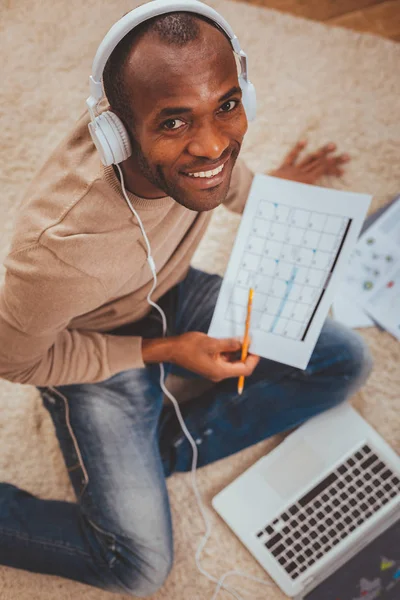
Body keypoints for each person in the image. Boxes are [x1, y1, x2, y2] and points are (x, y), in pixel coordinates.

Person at [0, 4, 373, 597]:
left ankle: (162, 445)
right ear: (116, 132)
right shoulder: (58, 251)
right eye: (174, 123)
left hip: (174, 289)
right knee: (138, 568)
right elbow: (15, 360)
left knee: (345, 361)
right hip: (93, 343)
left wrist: (267, 189)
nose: (212, 144)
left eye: (227, 104)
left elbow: (221, 164)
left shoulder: (208, 145)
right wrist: (167, 350)